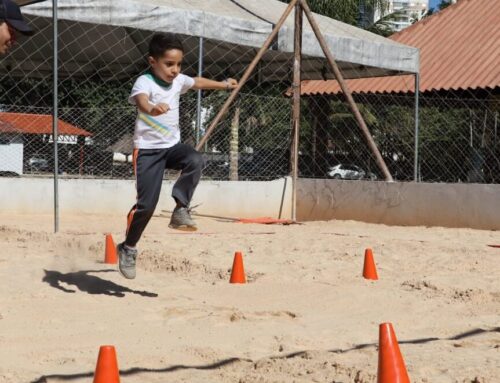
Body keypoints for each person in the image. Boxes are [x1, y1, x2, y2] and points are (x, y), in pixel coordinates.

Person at [117, 32, 238, 279]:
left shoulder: (179, 80)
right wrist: (152, 108)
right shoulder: (145, 82)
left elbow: (197, 82)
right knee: (146, 206)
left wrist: (224, 85)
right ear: (153, 62)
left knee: (194, 158)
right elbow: (141, 102)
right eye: (169, 64)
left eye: (179, 64)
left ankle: (181, 208)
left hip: (172, 147)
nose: (175, 70)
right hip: (148, 152)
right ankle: (128, 247)